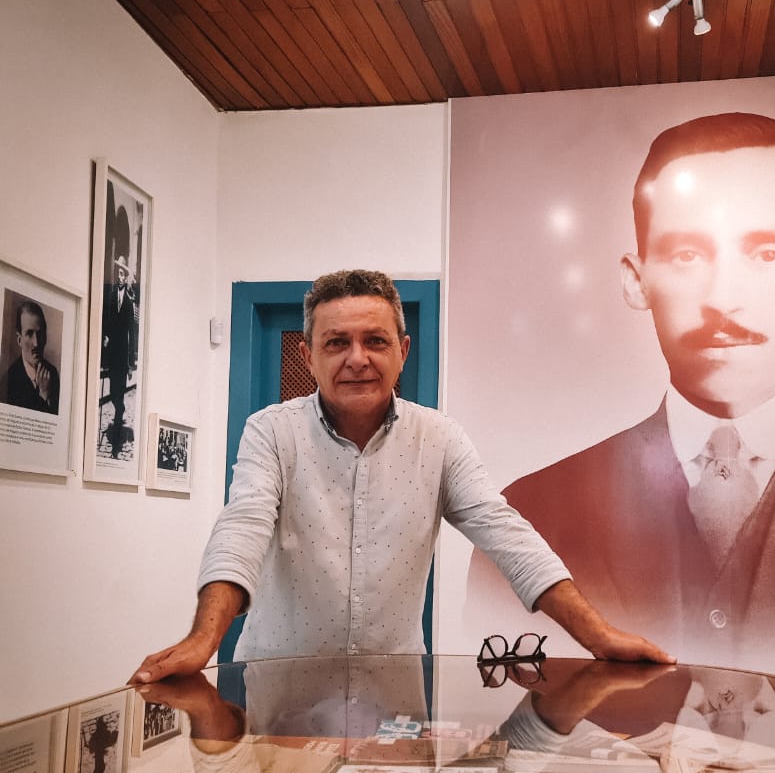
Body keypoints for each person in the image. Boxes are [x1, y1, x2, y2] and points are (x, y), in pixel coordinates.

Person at [470, 112, 775, 685]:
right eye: (687, 255)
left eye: (768, 252)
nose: (724, 299)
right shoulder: (533, 512)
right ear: (636, 280)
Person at [131, 269, 672, 691]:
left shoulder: (440, 438)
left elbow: (508, 537)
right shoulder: (271, 431)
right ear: (307, 355)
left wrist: (599, 635)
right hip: (279, 693)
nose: (357, 359)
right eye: (336, 343)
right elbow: (242, 527)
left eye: (376, 340)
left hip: (392, 706)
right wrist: (204, 641)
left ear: (403, 351)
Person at [101, 207, 137, 451]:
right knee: (113, 388)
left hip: (123, 353)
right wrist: (104, 337)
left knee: (120, 390)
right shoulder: (111, 294)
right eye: (119, 272)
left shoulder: (130, 301)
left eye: (124, 273)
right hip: (112, 349)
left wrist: (132, 361)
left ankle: (119, 411)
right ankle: (117, 409)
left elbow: (132, 332)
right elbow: (106, 319)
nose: (121, 276)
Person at [2, 300, 60, 414]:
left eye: (40, 334)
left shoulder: (52, 373)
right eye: (29, 334)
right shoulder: (8, 382)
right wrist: (43, 395)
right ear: (19, 340)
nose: (36, 343)